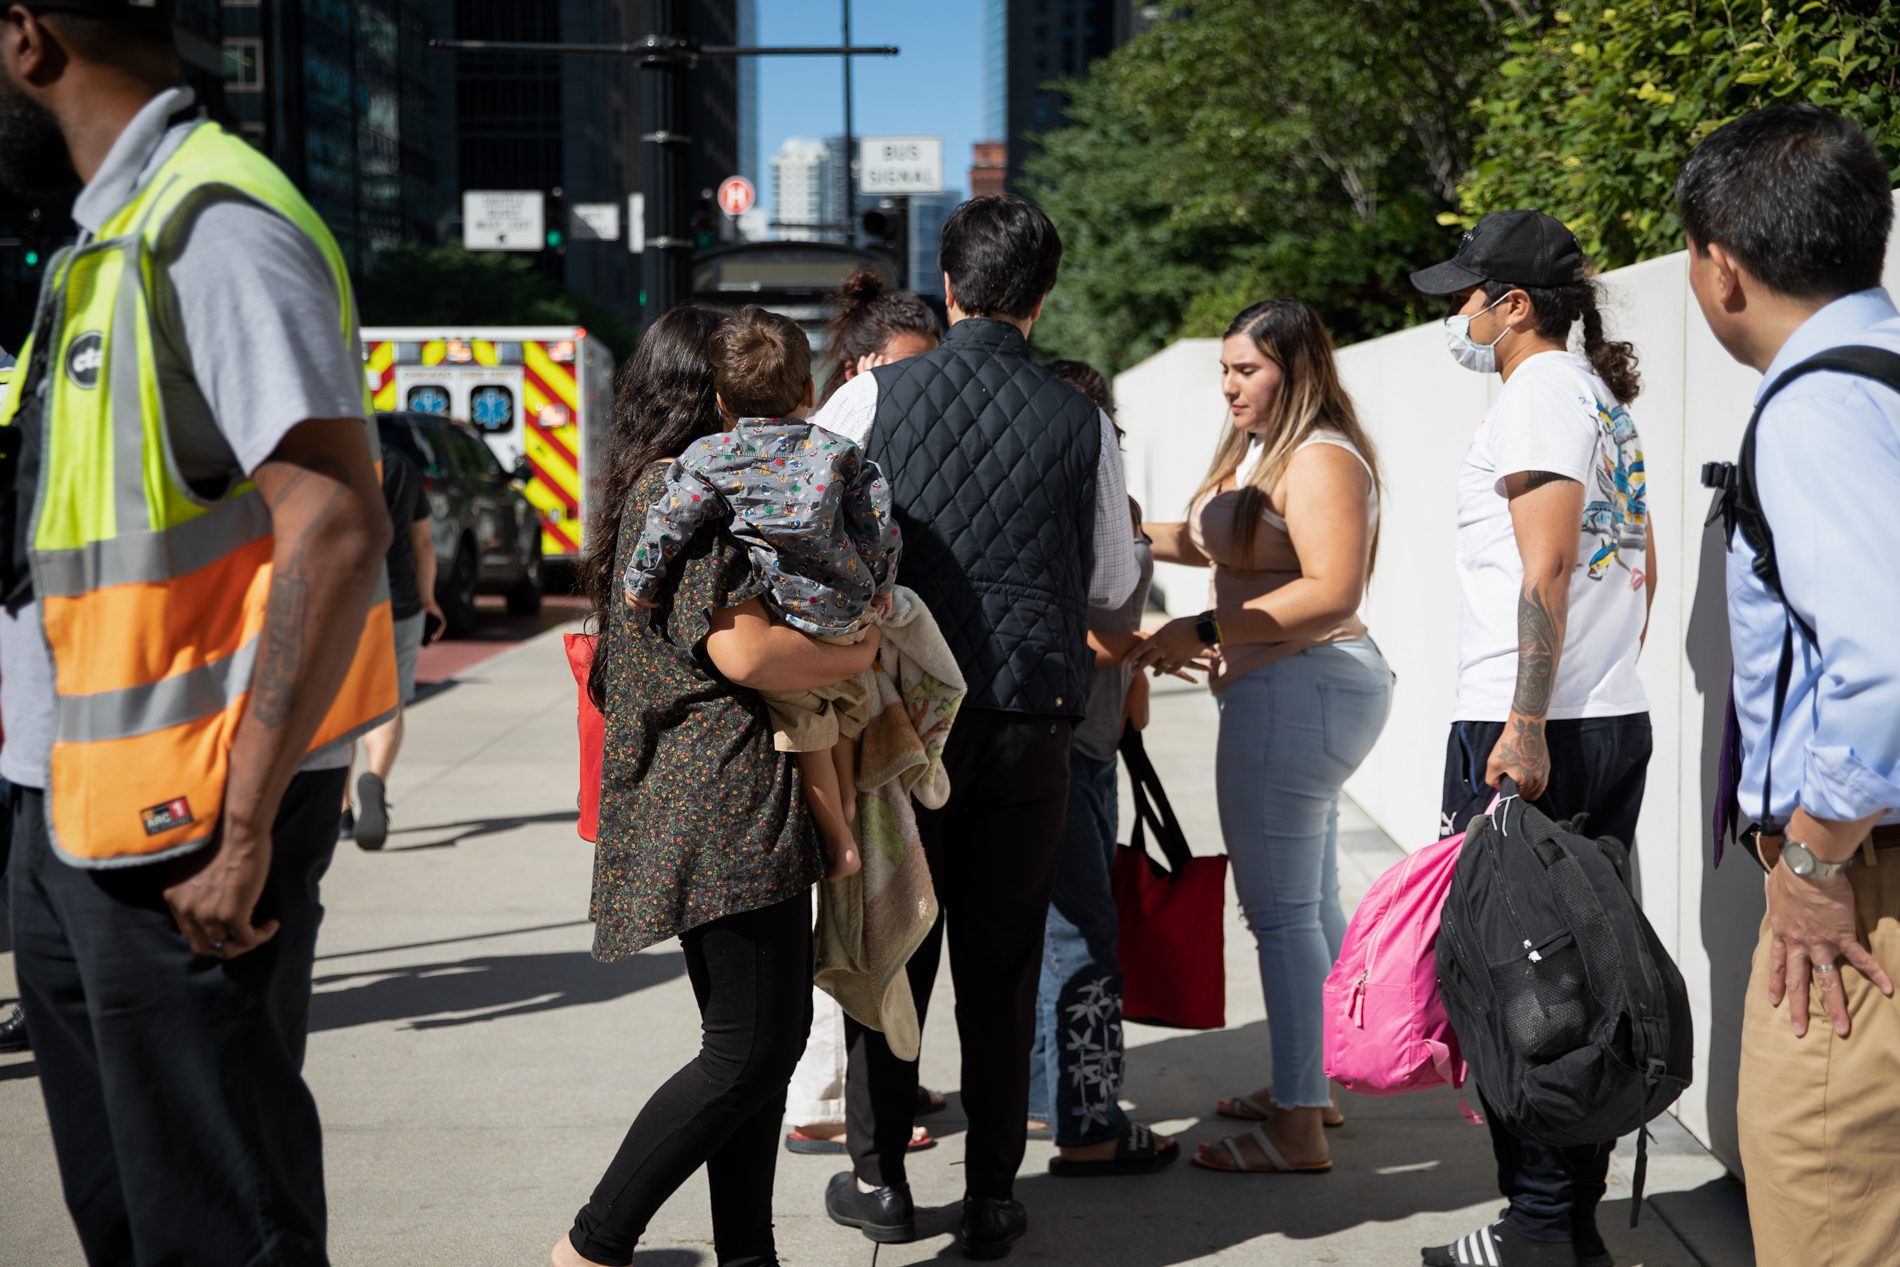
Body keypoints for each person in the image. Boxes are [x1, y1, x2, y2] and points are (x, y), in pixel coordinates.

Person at [0, 5, 399, 1263]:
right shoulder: (105, 239)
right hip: (70, 803)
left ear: (27, 37)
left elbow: (335, 522)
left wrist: (239, 835)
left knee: (218, 1219)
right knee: (130, 1211)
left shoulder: (209, 222)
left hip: (184, 828)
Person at [811, 193, 1139, 1260]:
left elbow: (799, 531)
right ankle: (993, 1194)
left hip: (901, 722)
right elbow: (1109, 580)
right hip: (1030, 725)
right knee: (1001, 966)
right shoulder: (1080, 420)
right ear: (1042, 300)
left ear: (948, 288)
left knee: (893, 943)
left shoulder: (867, 401)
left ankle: (882, 1180)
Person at [555, 305, 880, 1267]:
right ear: (717, 392)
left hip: (714, 796)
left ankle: (747, 1253)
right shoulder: (688, 488)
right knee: (745, 1049)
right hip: (721, 800)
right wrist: (858, 645)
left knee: (757, 1049)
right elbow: (745, 651)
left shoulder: (673, 487)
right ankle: (593, 1243)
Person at [1408, 211, 1655, 1267]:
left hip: (1534, 725)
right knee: (1571, 979)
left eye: (1468, 295)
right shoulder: (1597, 402)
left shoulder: (1540, 393)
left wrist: (1523, 721)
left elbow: (1544, 569)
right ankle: (1558, 1224)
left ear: (1514, 305)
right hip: (1589, 710)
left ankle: (1541, 1229)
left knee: (1526, 983)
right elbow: (1641, 572)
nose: (1458, 316)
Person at [1678, 105, 1900, 1267]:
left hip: (1855, 899)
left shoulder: (1815, 406)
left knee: (1823, 1210)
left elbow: (1883, 658)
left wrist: (1810, 864)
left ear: (1720, 267)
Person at [1131, 300, 1393, 1178]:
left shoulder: (1318, 455)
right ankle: (1308, 1085)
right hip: (1285, 691)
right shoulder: (1260, 450)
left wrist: (1202, 628)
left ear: (1298, 367)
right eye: (1225, 368)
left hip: (1303, 690)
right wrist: (1128, 531)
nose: (1230, 384)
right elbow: (1222, 544)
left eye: (1248, 369)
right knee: (1309, 905)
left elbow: (1333, 588)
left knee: (1280, 915)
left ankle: (1297, 1127)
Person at [623, 305, 899, 881]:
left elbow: (667, 524)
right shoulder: (838, 452)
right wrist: (879, 585)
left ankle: (840, 832)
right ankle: (852, 797)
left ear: (721, 403)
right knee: (843, 695)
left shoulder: (709, 458)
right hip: (844, 605)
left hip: (787, 610)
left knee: (802, 718)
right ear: (807, 388)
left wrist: (641, 583)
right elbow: (877, 520)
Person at [785, 278, 944, 1154]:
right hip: (840, 682)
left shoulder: (863, 405)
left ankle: (859, 1086)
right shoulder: (853, 410)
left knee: (857, 890)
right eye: (905, 376)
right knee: (846, 891)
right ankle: (821, 1097)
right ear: (864, 367)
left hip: (857, 681)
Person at [1026, 358, 1177, 1177]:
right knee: (1084, 933)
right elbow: (1112, 637)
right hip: (1076, 747)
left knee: (1042, 931)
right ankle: (1086, 1122)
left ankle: (1047, 1093)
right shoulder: (1106, 507)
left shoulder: (1034, 499)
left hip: (1074, 740)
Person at [345, 428, 441, 850]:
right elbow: (422, 542)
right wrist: (428, 599)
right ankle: (376, 777)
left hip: (345, 605)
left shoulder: (335, 466)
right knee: (390, 701)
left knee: (343, 707)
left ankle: (341, 809)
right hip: (399, 601)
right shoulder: (402, 466)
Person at [817, 268, 942, 405]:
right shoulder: (826, 425)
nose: (922, 385)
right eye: (903, 372)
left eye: (933, 370)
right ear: (853, 374)